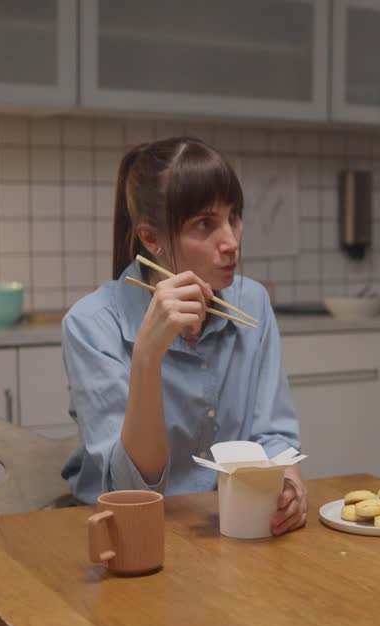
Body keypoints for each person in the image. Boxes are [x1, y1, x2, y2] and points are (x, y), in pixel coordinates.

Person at [61, 137, 306, 535]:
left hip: (227, 525)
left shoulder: (253, 302)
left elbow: (272, 434)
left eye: (235, 216)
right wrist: (147, 355)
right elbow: (131, 491)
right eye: (205, 225)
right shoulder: (91, 324)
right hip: (123, 532)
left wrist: (290, 486)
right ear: (151, 239)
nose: (231, 241)